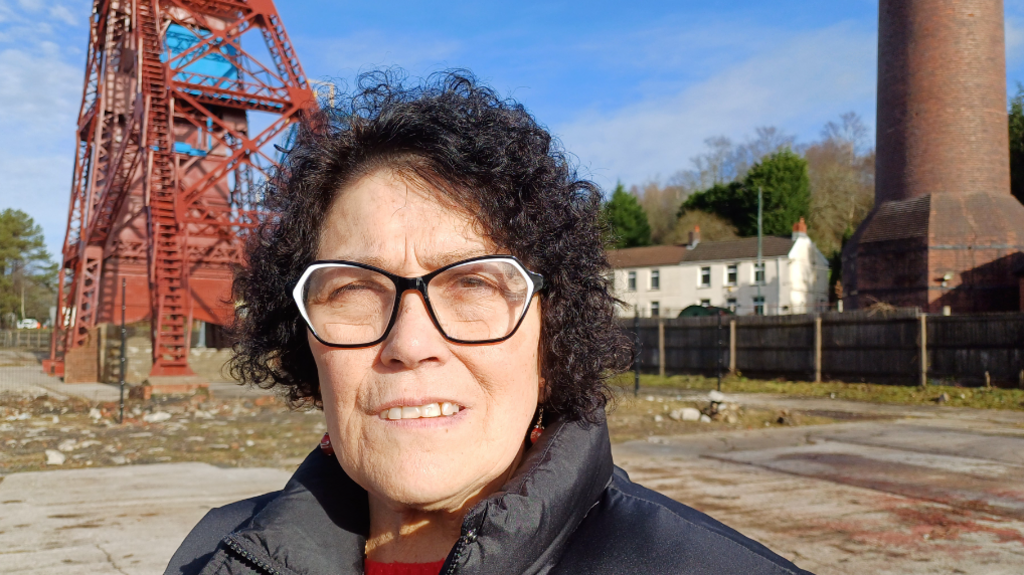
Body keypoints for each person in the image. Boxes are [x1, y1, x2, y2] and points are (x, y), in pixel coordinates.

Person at [165, 71, 812, 575]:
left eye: (472, 282)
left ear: (550, 331)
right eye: (355, 288)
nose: (410, 343)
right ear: (308, 342)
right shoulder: (213, 555)